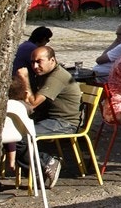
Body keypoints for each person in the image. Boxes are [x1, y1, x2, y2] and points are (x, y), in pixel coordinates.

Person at [17, 45, 81, 187]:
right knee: (12, 132)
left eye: (39, 61)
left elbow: (32, 103)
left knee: (20, 138)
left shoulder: (56, 77)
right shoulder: (44, 74)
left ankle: (46, 163)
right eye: (32, 62)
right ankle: (37, 169)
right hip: (47, 118)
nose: (35, 66)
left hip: (64, 123)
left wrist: (24, 79)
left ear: (52, 60)